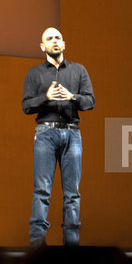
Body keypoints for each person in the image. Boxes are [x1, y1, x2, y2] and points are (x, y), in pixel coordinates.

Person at [22, 27, 95, 247]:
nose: (55, 41)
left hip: (72, 133)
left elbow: (90, 101)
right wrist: (46, 97)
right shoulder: (34, 74)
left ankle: (71, 246)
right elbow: (26, 106)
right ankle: (37, 246)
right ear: (43, 46)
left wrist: (72, 96)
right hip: (45, 133)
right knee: (42, 191)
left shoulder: (79, 70)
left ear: (64, 44)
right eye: (50, 38)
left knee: (72, 194)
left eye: (58, 38)